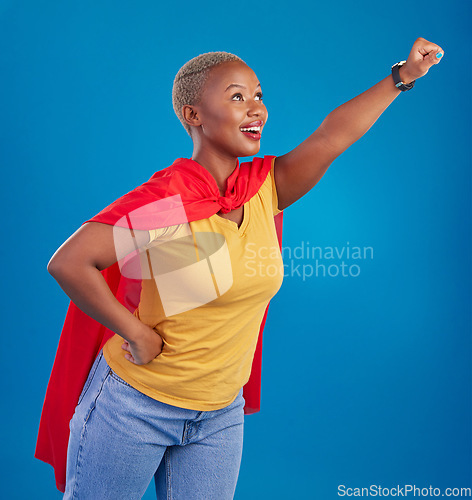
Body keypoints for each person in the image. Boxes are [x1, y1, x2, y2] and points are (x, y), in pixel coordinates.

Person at [38, 38, 443, 499]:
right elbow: (70, 263)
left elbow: (332, 137)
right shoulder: (169, 204)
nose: (256, 109)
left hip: (218, 414)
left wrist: (402, 77)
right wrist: (138, 333)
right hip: (136, 406)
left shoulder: (265, 188)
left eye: (258, 95)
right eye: (236, 97)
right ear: (193, 115)